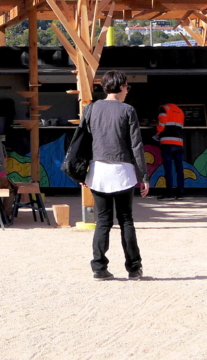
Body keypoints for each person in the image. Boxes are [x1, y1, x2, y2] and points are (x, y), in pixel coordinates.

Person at [84, 70, 148, 281]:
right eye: (127, 86)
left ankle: (99, 268)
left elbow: (82, 142)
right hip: (123, 172)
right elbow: (136, 144)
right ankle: (133, 268)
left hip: (98, 170)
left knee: (103, 221)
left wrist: (80, 172)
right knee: (126, 220)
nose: (127, 90)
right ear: (121, 86)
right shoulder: (128, 110)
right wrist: (144, 176)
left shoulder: (90, 108)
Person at [154, 103, 186, 200]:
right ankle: (180, 193)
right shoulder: (180, 111)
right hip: (179, 143)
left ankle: (170, 193)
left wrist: (158, 132)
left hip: (167, 142)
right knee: (179, 168)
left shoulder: (164, 108)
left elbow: (162, 121)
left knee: (168, 168)